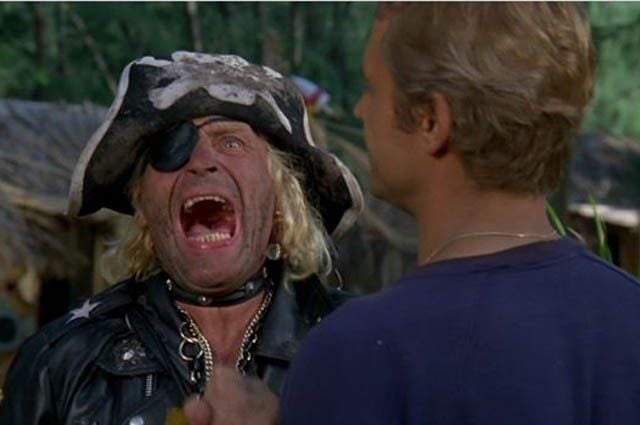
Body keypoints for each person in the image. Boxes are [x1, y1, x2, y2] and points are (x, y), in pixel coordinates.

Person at [275, 3, 640, 425]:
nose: (360, 110)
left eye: (373, 89)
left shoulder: (354, 356)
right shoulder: (628, 319)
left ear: (431, 121)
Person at [0, 51, 363, 425]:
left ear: (279, 198)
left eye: (231, 143)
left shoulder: (363, 348)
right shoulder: (61, 365)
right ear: (142, 205)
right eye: (170, 147)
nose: (200, 161)